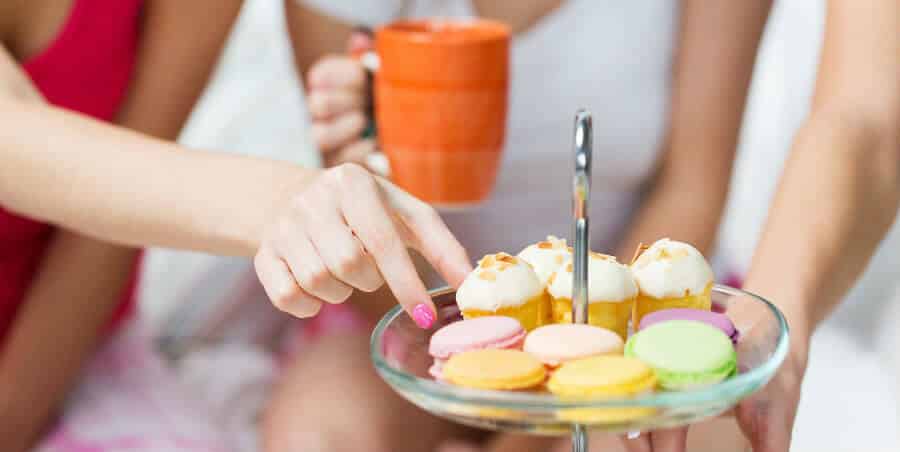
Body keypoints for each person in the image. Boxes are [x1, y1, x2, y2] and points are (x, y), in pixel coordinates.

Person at [280, 0, 900, 451]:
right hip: (401, 306)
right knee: (320, 432)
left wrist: (537, 425)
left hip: (638, 318)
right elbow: (350, 187)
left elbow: (694, 187)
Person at [0, 1, 470, 450]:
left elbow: (106, 229)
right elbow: (16, 139)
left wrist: (17, 412)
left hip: (70, 356)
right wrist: (283, 201)